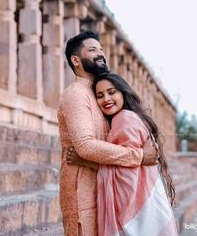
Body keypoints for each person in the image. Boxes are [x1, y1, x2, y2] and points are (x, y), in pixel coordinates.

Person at [57, 31, 159, 236]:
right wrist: (139, 156)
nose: (101, 54)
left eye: (101, 49)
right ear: (75, 60)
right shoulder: (76, 94)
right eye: (93, 50)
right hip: (83, 196)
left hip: (106, 191)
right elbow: (85, 146)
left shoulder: (98, 94)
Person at [68, 72, 178, 236]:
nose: (106, 99)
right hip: (151, 210)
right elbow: (128, 166)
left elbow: (126, 178)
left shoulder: (124, 119)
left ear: (123, 93)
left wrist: (87, 161)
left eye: (112, 92)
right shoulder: (130, 118)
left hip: (138, 217)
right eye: (100, 96)